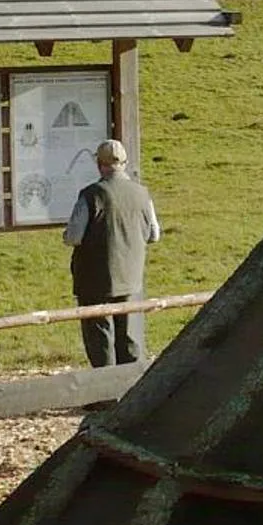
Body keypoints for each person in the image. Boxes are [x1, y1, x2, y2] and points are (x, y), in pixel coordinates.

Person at [62, 138, 160, 367]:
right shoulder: (142, 193)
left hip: (95, 280)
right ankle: (132, 388)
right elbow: (154, 234)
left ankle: (104, 395)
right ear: (124, 163)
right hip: (131, 278)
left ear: (100, 164)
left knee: (100, 337)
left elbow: (73, 237)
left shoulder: (91, 194)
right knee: (129, 336)